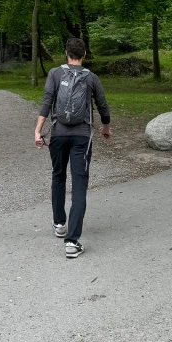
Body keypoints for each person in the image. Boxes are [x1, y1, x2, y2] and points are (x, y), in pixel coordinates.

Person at [34, 38, 111, 258]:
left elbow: (47, 101)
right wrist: (106, 128)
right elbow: (102, 106)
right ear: (84, 53)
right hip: (82, 137)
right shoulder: (91, 77)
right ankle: (72, 242)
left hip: (58, 134)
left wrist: (38, 130)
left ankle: (60, 223)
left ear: (66, 53)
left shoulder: (55, 74)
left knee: (58, 176)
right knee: (79, 184)